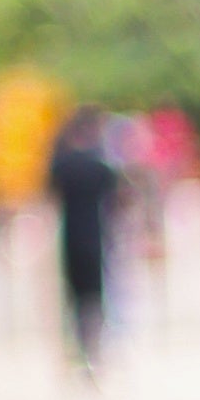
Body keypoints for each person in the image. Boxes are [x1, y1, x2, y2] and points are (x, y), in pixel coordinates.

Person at [45, 104, 125, 375]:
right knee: (94, 296)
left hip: (70, 238)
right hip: (96, 237)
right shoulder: (99, 166)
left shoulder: (63, 165)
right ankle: (93, 348)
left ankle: (78, 347)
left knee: (74, 296)